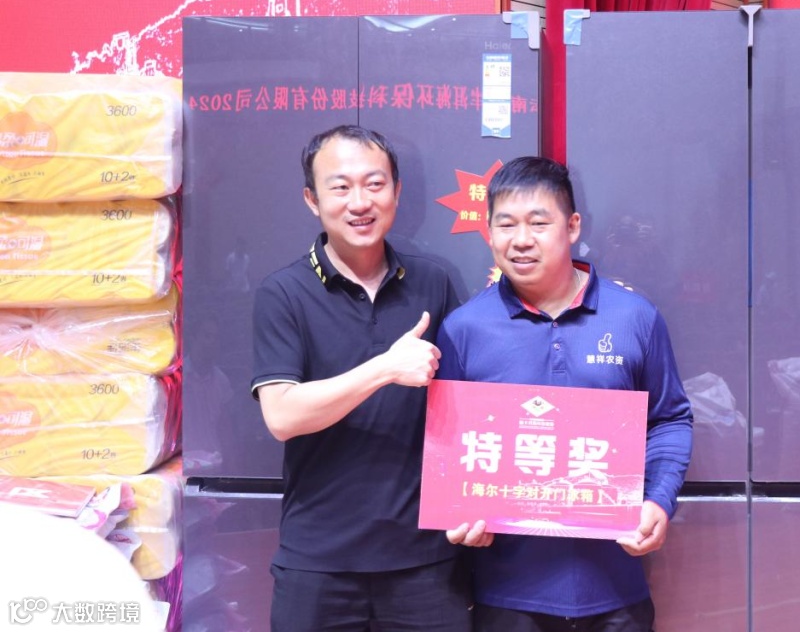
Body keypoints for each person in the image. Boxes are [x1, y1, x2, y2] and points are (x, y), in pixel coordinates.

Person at [436, 156, 693, 632]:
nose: (521, 239)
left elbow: (669, 420)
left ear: (572, 226)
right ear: (489, 232)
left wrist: (658, 500)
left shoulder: (634, 317)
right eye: (506, 224)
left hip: (616, 589)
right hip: (506, 596)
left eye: (539, 223)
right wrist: (458, 508)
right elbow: (445, 443)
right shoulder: (463, 329)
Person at [250, 125, 470, 631]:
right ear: (312, 199)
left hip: (426, 560)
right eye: (340, 187)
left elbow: (467, 405)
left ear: (396, 191)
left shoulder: (434, 281)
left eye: (375, 184)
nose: (359, 202)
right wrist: (385, 369)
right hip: (318, 561)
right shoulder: (283, 293)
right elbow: (282, 416)